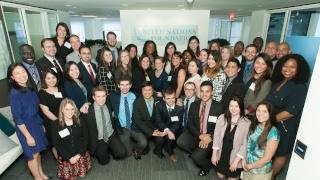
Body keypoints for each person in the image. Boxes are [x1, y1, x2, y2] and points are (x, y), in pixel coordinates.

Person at [266, 54, 310, 179]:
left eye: (292, 67)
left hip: (285, 126)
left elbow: (291, 112)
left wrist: (268, 121)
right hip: (271, 123)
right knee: (270, 152)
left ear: (299, 69)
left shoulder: (300, 87)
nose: (287, 69)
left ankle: (270, 177)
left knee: (280, 154)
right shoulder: (277, 82)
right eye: (285, 66)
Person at [8, 63, 49, 180]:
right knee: (32, 155)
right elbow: (17, 118)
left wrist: (40, 124)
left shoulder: (29, 88)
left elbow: (35, 110)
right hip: (25, 127)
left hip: (35, 124)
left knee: (38, 152)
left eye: (23, 71)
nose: (22, 75)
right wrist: (28, 136)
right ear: (12, 77)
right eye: (17, 73)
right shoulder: (15, 94)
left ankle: (41, 174)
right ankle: (37, 177)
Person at [81, 86, 127, 165]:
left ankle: (111, 148)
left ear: (106, 96)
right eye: (98, 96)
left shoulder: (108, 105)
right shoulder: (87, 111)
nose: (101, 99)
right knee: (104, 162)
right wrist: (86, 103)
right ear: (93, 97)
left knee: (122, 153)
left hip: (111, 134)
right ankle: (105, 150)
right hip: (99, 139)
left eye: (103, 96)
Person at [107, 76, 147, 161]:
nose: (125, 87)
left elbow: (147, 96)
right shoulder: (113, 96)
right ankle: (129, 149)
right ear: (118, 86)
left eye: (127, 85)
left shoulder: (135, 96)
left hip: (133, 126)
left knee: (144, 143)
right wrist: (86, 104)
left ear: (130, 85)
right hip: (122, 128)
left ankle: (135, 149)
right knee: (127, 154)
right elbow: (101, 99)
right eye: (122, 85)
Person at [188, 81, 225, 176]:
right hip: (198, 134)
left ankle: (207, 166)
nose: (204, 94)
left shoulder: (219, 107)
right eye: (202, 91)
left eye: (207, 91)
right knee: (180, 141)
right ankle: (201, 151)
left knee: (196, 157)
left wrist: (210, 137)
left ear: (212, 92)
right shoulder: (193, 105)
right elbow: (190, 124)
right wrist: (200, 136)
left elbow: (221, 127)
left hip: (211, 136)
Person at [211, 96, 251, 180]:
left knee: (231, 178)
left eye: (236, 106)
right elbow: (216, 137)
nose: (233, 108)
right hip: (222, 152)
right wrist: (214, 155)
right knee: (220, 176)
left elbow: (245, 144)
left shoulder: (247, 123)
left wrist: (236, 162)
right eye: (231, 105)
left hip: (236, 154)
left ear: (241, 107)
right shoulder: (222, 117)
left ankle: (237, 175)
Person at [51, 98, 91, 179]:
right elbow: (57, 144)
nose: (70, 112)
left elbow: (86, 138)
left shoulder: (80, 120)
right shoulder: (55, 124)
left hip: (79, 153)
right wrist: (69, 157)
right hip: (66, 155)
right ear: (62, 110)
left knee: (82, 175)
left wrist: (78, 155)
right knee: (71, 178)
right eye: (67, 109)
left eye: (72, 109)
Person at [242, 101, 280, 180]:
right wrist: (244, 159)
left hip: (260, 173)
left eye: (265, 111)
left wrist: (249, 166)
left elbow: (267, 158)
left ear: (270, 114)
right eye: (258, 110)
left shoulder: (273, 132)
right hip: (247, 168)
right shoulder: (255, 125)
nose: (260, 114)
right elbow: (248, 145)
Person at [38, 69, 66, 159]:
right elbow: (46, 111)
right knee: (55, 143)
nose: (51, 80)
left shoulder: (61, 90)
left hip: (64, 119)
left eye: (53, 77)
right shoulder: (42, 93)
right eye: (48, 78)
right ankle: (60, 163)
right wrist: (59, 122)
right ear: (44, 80)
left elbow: (66, 104)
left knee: (65, 140)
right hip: (52, 122)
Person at [133, 81, 165, 159]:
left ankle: (157, 151)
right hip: (144, 128)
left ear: (152, 90)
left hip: (154, 125)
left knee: (161, 139)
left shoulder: (157, 98)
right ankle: (135, 149)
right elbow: (139, 122)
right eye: (145, 90)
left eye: (149, 90)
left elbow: (169, 98)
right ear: (141, 91)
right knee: (145, 151)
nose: (147, 92)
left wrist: (179, 100)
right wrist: (151, 132)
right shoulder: (137, 103)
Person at [155, 87, 183, 162]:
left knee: (167, 142)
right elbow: (159, 121)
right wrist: (168, 131)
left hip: (175, 127)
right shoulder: (159, 106)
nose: (171, 101)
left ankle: (170, 150)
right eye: (168, 98)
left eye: (173, 98)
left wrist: (171, 131)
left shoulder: (180, 107)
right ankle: (171, 153)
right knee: (168, 139)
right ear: (163, 98)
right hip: (163, 126)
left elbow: (178, 123)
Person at [243, 53, 272, 120]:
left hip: (251, 115)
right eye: (257, 63)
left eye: (263, 64)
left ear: (267, 66)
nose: (259, 66)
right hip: (243, 109)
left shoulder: (267, 82)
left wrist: (246, 111)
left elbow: (259, 101)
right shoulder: (251, 76)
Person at [176, 82, 200, 153]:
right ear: (184, 89)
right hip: (182, 125)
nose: (189, 92)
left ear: (195, 90)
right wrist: (178, 100)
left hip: (192, 128)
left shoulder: (199, 101)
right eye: (187, 89)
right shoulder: (182, 98)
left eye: (191, 89)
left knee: (181, 142)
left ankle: (195, 152)